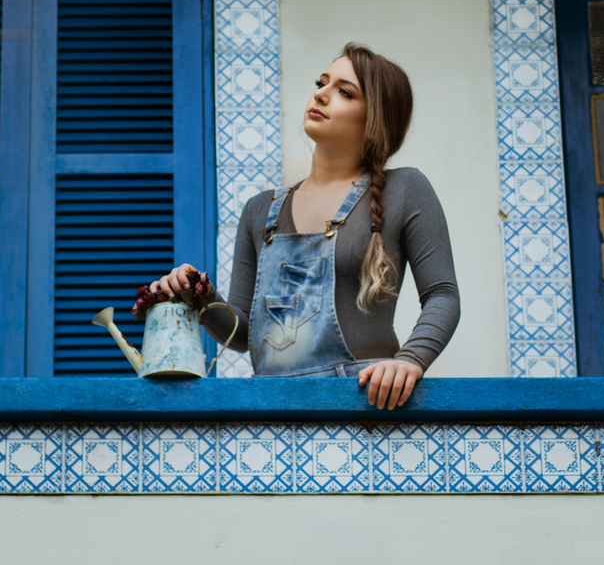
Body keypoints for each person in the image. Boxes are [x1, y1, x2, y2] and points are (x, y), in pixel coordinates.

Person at [151, 43, 460, 409]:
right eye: (322, 82)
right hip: (271, 407)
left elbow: (443, 295)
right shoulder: (258, 210)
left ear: (375, 121)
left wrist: (411, 360)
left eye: (344, 92)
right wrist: (199, 295)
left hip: (366, 403)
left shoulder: (406, 189)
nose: (321, 94)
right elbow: (242, 334)